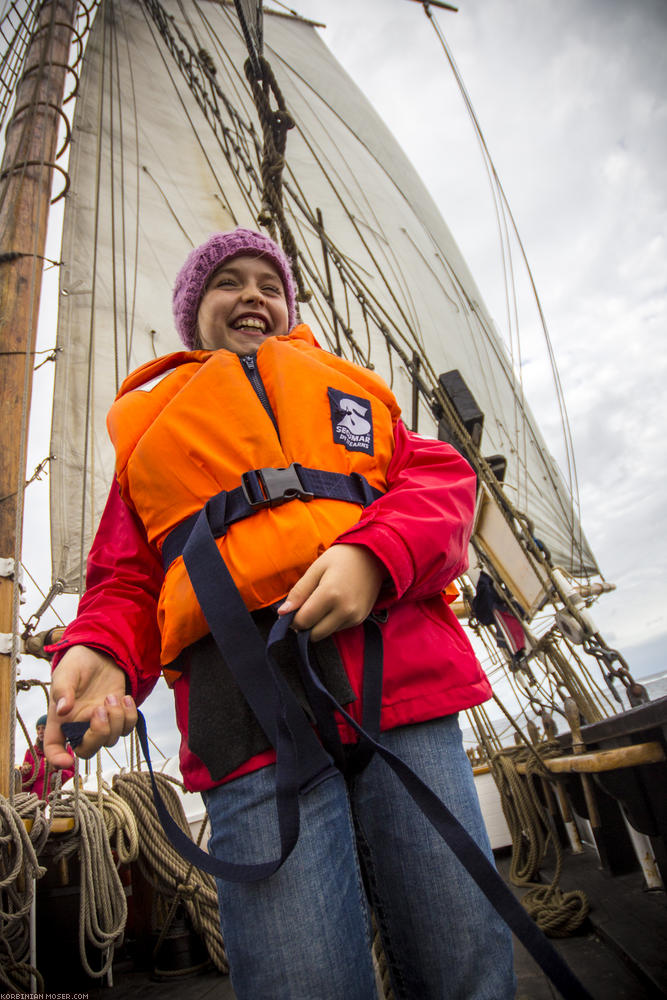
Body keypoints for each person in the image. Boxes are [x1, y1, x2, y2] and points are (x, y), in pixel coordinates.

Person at [44, 228, 516, 999]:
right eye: (227, 282)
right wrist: (98, 650)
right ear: (194, 312)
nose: (252, 295)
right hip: (245, 720)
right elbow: (124, 582)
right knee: (297, 981)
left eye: (268, 282)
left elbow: (442, 487)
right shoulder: (150, 429)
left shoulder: (351, 387)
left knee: (465, 957)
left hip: (398, 690)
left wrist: (374, 554)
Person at [21, 713, 74, 799]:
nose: (40, 732)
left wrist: (55, 770)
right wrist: (24, 774)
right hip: (36, 803)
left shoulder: (65, 749)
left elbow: (73, 777)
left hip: (58, 801)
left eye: (44, 728)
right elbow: (25, 787)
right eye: (38, 729)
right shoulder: (31, 753)